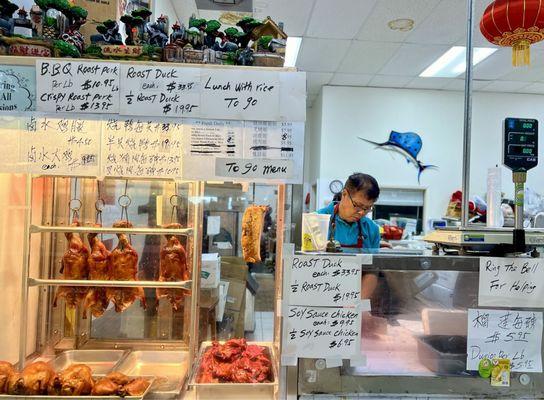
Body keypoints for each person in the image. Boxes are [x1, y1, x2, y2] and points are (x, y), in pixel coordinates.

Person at [317, 173, 381, 298]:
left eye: (368, 208)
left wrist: (359, 305)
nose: (362, 212)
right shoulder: (317, 221)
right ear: (344, 194)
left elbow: (372, 271)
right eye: (358, 205)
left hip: (358, 297)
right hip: (321, 295)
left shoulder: (372, 229)